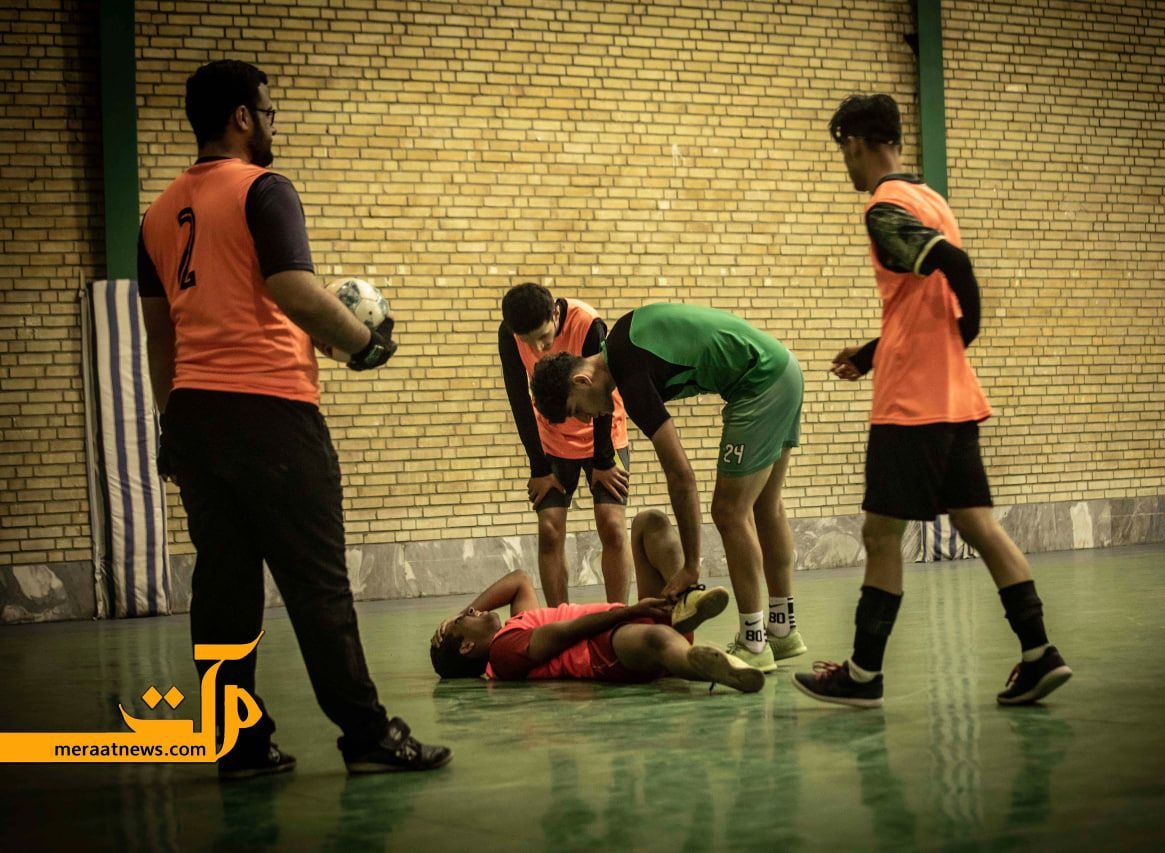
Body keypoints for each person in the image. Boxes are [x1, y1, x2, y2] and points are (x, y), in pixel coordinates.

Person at [138, 60, 450, 777]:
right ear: (242, 117)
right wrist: (363, 343)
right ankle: (367, 738)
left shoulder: (156, 216)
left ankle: (238, 745)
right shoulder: (264, 189)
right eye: (269, 111)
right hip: (272, 414)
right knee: (317, 583)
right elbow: (293, 288)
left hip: (195, 416)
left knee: (224, 589)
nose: (273, 124)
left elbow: (160, 337)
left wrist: (171, 422)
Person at [793, 93, 1072, 708]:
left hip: (912, 405)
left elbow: (953, 265)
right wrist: (873, 352)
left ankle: (863, 674)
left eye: (844, 150)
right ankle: (1040, 654)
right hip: (954, 396)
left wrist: (969, 326)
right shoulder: (931, 200)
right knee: (978, 524)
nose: (846, 163)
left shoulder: (883, 207)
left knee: (881, 534)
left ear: (855, 144)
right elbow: (924, 300)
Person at [530, 303, 806, 672]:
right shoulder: (623, 340)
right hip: (785, 369)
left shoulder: (629, 374)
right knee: (766, 505)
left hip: (761, 383)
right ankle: (783, 629)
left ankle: (754, 642)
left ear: (582, 381)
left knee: (729, 512)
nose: (585, 418)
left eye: (576, 409)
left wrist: (691, 565)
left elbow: (681, 476)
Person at [431, 510, 762, 693]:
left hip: (620, 621)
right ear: (466, 647)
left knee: (650, 523)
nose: (473, 610)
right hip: (602, 648)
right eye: (464, 620)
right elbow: (567, 632)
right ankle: (708, 667)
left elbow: (518, 580)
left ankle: (686, 604)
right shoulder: (503, 654)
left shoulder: (516, 625)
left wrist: (456, 616)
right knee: (657, 637)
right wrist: (629, 611)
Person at [499, 282, 632, 605]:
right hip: (553, 440)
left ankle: (618, 615)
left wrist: (603, 460)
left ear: (555, 314)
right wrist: (539, 467)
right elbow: (519, 399)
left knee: (612, 524)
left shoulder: (587, 323)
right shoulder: (510, 334)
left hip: (604, 434)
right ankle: (561, 620)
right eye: (528, 341)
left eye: (544, 336)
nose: (539, 348)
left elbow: (602, 385)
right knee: (549, 529)